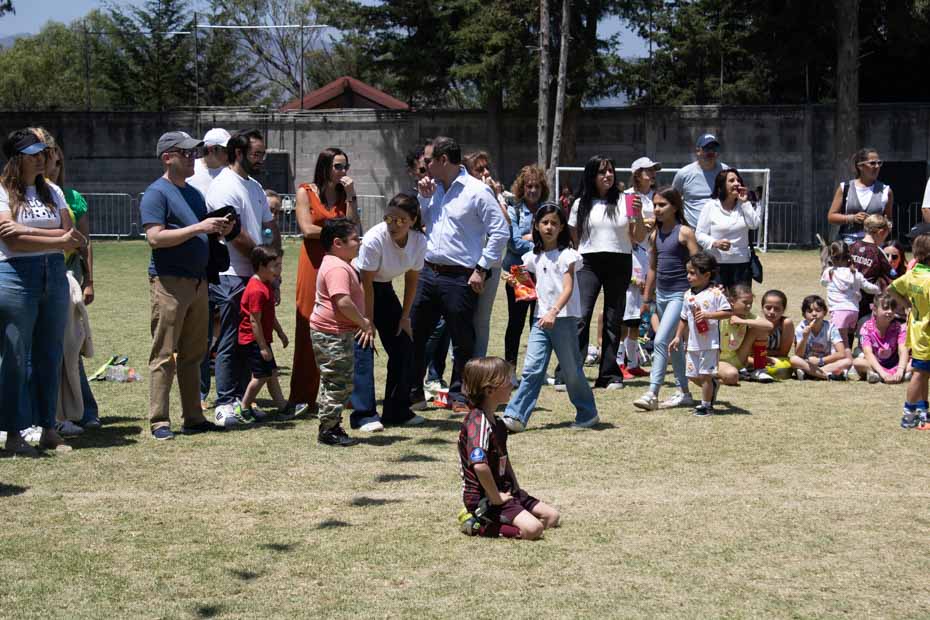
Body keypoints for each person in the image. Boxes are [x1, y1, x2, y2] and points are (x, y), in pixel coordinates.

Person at [141, 131, 233, 441]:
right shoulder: (156, 192)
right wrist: (199, 227)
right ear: (168, 157)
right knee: (164, 354)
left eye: (194, 153)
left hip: (198, 282)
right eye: (186, 153)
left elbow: (201, 232)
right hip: (169, 283)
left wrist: (219, 228)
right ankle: (159, 421)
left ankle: (193, 416)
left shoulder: (193, 194)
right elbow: (154, 237)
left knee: (195, 355)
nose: (193, 157)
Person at [0, 129, 86, 455]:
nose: (41, 158)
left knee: (50, 354)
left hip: (54, 274)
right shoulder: (3, 190)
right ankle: (13, 433)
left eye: (43, 152)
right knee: (15, 357)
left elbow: (71, 232)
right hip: (15, 276)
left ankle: (48, 428)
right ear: (17, 157)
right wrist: (56, 241)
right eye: (33, 153)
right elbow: (11, 240)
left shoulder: (51, 190)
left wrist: (27, 230)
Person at [410, 136, 509, 413]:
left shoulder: (477, 191)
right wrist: (424, 198)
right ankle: (414, 392)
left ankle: (460, 396)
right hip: (430, 272)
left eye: (428, 160)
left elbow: (500, 231)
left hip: (461, 276)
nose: (424, 165)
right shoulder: (434, 189)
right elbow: (425, 222)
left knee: (462, 340)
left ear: (443, 160)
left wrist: (482, 268)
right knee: (416, 332)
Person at [501, 204, 598, 433]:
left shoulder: (568, 256)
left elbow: (567, 288)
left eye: (554, 223)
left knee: (571, 370)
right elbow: (529, 286)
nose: (549, 227)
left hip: (562, 319)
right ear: (536, 225)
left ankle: (588, 413)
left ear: (562, 227)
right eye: (545, 222)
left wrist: (554, 311)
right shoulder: (533, 256)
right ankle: (515, 416)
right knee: (532, 368)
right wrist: (514, 281)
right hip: (540, 321)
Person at [206, 129, 280, 426]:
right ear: (238, 153)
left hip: (256, 274)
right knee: (229, 340)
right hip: (231, 274)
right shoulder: (223, 186)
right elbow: (234, 234)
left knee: (248, 340)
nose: (261, 160)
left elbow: (269, 226)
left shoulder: (255, 187)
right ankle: (225, 402)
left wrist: (273, 265)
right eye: (256, 154)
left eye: (263, 154)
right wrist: (266, 262)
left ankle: (241, 400)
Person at [32, 127, 100, 431]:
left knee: (72, 345)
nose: (54, 169)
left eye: (59, 164)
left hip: (67, 275)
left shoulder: (70, 197)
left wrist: (89, 280)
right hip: (36, 273)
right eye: (50, 162)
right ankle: (46, 416)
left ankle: (82, 411)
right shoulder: (22, 196)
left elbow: (83, 241)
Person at [288, 147, 359, 417]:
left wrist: (351, 197)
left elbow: (353, 227)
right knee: (307, 324)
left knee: (341, 323)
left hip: (340, 265)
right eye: (339, 167)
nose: (343, 172)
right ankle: (303, 396)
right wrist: (337, 236)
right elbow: (306, 229)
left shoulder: (345, 195)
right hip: (313, 264)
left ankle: (341, 394)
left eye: (346, 167)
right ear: (326, 167)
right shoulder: (305, 191)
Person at [457, 357, 560, 540]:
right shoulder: (477, 422)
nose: (512, 384)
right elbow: (479, 466)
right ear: (489, 390)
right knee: (533, 530)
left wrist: (516, 489)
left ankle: (502, 517)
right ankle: (476, 524)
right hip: (485, 497)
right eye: (506, 380)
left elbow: (504, 460)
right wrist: (495, 497)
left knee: (552, 517)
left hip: (506, 491)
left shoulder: (498, 423)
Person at [568, 155, 647, 389]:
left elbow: (639, 237)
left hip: (619, 261)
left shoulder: (626, 200)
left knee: (614, 318)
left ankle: (610, 374)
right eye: (602, 172)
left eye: (611, 171)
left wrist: (640, 215)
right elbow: (574, 235)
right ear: (592, 175)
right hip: (588, 262)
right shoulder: (580, 203)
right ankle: (570, 371)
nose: (608, 175)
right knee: (581, 316)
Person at [350, 193, 427, 430]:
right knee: (364, 344)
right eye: (389, 219)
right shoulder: (375, 238)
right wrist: (367, 321)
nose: (393, 225)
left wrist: (405, 317)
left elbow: (412, 279)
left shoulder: (419, 241)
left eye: (400, 220)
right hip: (359, 286)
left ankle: (397, 411)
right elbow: (367, 285)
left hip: (383, 287)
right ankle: (364, 415)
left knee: (404, 345)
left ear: (413, 220)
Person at [633, 188, 700, 411]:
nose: (657, 209)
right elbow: (652, 268)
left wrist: (700, 292)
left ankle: (652, 393)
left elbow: (699, 263)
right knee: (675, 345)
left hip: (680, 296)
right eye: (655, 205)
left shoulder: (685, 233)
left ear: (675, 207)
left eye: (662, 205)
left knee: (661, 341)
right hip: (661, 296)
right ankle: (684, 392)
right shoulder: (655, 235)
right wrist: (646, 298)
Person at [309, 218, 372, 447]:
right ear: (338, 242)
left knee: (334, 380)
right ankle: (329, 429)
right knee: (339, 382)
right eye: (355, 238)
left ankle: (331, 424)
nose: (359, 242)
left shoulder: (339, 263)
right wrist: (363, 322)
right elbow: (342, 301)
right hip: (332, 334)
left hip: (333, 332)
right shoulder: (337, 267)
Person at [187, 129, 229, 411]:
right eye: (225, 150)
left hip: (226, 258)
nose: (229, 155)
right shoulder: (193, 177)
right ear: (211, 149)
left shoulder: (227, 174)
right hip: (201, 259)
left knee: (224, 327)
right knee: (200, 331)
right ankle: (200, 391)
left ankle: (229, 391)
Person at [669, 252, 733, 416]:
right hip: (692, 343)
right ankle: (713, 385)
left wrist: (708, 315)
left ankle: (706, 406)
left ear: (706, 275)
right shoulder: (688, 294)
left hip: (710, 343)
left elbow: (727, 312)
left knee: (705, 375)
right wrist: (677, 336)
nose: (688, 276)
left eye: (692, 273)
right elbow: (683, 318)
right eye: (687, 272)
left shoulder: (715, 294)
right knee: (692, 375)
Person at [463, 150, 509, 359]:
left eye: (486, 167)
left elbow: (506, 223)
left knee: (482, 318)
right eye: (479, 169)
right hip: (468, 262)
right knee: (462, 316)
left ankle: (478, 360)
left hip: (492, 263)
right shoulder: (465, 192)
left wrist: (496, 195)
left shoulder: (494, 193)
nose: (485, 172)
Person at [235, 245, 289, 422]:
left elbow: (269, 316)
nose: (279, 270)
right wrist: (263, 347)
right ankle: (243, 408)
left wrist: (280, 332)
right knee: (261, 376)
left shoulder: (266, 285)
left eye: (280, 265)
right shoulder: (256, 289)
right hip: (254, 341)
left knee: (271, 373)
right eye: (275, 266)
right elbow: (254, 321)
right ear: (261, 266)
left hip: (262, 340)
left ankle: (283, 408)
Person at [502, 165, 547, 372]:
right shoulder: (514, 209)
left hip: (543, 271)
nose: (532, 190)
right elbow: (514, 243)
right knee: (517, 322)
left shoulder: (547, 209)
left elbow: (555, 238)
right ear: (522, 187)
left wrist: (530, 238)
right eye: (529, 186)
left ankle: (536, 369)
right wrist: (539, 242)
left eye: (536, 186)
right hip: (519, 272)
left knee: (538, 321)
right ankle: (510, 369)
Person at [888, 234, 930, 428]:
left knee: (923, 372)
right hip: (926, 333)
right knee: (919, 373)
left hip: (917, 328)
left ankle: (923, 411)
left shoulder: (913, 273)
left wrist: (907, 305)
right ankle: (909, 414)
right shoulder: (928, 278)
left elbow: (892, 289)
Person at [695, 168, 762, 288]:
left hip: (742, 265)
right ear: (721, 186)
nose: (737, 183)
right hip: (717, 265)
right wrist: (715, 243)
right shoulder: (710, 206)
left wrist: (745, 203)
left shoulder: (744, 205)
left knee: (739, 304)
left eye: (738, 180)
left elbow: (754, 224)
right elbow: (699, 234)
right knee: (717, 303)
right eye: (731, 181)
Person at [827, 147, 894, 244]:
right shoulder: (845, 188)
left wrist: (886, 227)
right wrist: (852, 218)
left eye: (879, 163)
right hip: (848, 241)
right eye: (872, 163)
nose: (877, 166)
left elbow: (889, 219)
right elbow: (831, 217)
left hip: (874, 243)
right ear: (860, 166)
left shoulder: (886, 191)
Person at [820, 241, 881, 346]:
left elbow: (823, 283)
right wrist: (879, 290)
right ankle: (850, 357)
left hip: (839, 311)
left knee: (840, 343)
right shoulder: (855, 273)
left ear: (832, 258)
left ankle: (846, 360)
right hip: (854, 311)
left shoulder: (829, 272)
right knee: (846, 339)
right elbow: (868, 287)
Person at [716, 284, 774, 386]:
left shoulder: (747, 315)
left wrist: (743, 321)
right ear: (732, 301)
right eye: (745, 302)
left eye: (750, 303)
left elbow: (769, 325)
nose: (748, 306)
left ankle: (759, 370)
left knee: (760, 329)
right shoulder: (721, 313)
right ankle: (707, 378)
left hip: (738, 358)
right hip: (718, 360)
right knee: (732, 376)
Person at [672, 133, 729, 227]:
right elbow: (673, 200)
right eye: (707, 148)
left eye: (714, 148)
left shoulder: (726, 171)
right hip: (692, 232)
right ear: (698, 151)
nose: (711, 152)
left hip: (719, 230)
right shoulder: (683, 174)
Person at [790, 294, 852, 380]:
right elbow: (798, 354)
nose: (814, 314)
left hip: (827, 362)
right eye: (810, 311)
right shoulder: (801, 328)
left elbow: (841, 353)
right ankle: (827, 375)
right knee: (794, 360)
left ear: (825, 312)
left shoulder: (831, 328)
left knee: (847, 361)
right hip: (807, 363)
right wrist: (804, 338)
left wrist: (820, 361)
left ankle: (810, 374)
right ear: (804, 315)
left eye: (818, 310)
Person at [852, 292, 910, 384]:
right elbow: (868, 353)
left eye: (892, 308)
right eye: (885, 308)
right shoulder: (866, 328)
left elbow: (903, 350)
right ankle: (878, 374)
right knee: (857, 362)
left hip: (895, 365)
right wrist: (883, 373)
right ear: (874, 310)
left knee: (915, 363)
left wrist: (900, 369)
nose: (890, 311)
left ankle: (876, 375)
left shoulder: (899, 327)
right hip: (875, 364)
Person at [849, 214, 893, 318]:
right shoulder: (878, 252)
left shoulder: (851, 247)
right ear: (881, 232)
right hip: (865, 302)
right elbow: (893, 277)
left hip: (847, 298)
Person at [618, 241, 650, 379]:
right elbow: (617, 272)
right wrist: (633, 280)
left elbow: (648, 272)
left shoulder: (643, 251)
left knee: (635, 329)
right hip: (626, 294)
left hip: (639, 297)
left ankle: (633, 365)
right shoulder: (622, 249)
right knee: (622, 330)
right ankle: (619, 365)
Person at [759, 289, 795, 379]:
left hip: (779, 359)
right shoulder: (757, 323)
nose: (771, 312)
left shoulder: (786, 323)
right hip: (758, 359)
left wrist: (762, 353)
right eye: (768, 307)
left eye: (777, 308)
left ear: (783, 310)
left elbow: (783, 352)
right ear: (762, 308)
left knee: (783, 368)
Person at [186, 128, 230, 197]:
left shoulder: (232, 171)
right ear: (211, 149)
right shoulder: (190, 168)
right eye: (226, 149)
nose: (230, 153)